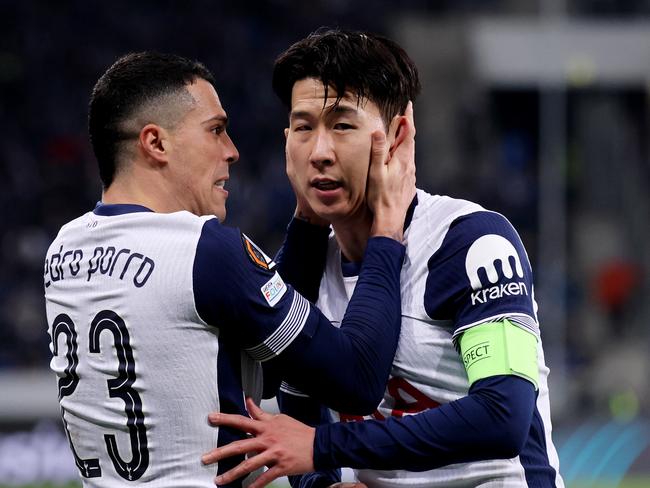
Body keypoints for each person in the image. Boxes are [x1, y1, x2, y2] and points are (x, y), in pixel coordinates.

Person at [201, 29, 565, 487]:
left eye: (342, 125)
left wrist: (322, 449)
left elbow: (503, 416)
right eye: (303, 127)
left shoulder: (471, 241)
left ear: (397, 135)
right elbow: (291, 410)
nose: (319, 153)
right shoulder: (308, 269)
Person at [43, 50, 417, 487]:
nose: (232, 151)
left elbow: (271, 360)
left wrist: (309, 222)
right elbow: (356, 378)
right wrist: (388, 229)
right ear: (156, 143)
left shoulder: (64, 248)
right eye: (216, 131)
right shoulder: (203, 251)